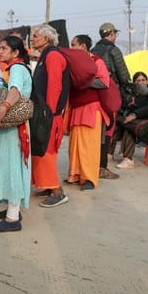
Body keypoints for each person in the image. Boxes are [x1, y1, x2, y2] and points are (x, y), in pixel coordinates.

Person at [0, 35, 32, 232]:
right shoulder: (7, 68)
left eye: (3, 48)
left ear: (16, 52)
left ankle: (12, 219)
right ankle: (12, 208)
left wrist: (3, 107)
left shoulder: (17, 68)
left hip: (12, 128)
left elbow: (16, 91)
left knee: (12, 167)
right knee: (7, 166)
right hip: (9, 127)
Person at [30, 24, 70, 208]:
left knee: (46, 151)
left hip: (49, 114)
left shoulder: (53, 56)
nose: (32, 39)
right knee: (41, 149)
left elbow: (55, 86)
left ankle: (56, 191)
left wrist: (49, 112)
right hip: (45, 112)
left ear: (46, 39)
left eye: (36, 36)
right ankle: (47, 185)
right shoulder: (46, 56)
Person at [65, 35, 110, 191]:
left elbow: (105, 82)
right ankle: (76, 175)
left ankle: (90, 178)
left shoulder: (97, 61)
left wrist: (83, 81)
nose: (71, 47)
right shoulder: (73, 63)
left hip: (91, 107)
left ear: (83, 46)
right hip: (76, 107)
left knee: (89, 145)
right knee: (75, 144)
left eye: (73, 44)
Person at [91, 22, 131, 180]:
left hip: (95, 95)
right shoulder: (114, 50)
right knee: (108, 130)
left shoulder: (93, 50)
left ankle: (93, 164)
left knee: (97, 131)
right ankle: (102, 166)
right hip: (109, 94)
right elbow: (124, 76)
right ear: (112, 34)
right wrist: (130, 93)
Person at [113, 72, 148, 169]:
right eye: (138, 81)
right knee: (117, 125)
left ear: (147, 81)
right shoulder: (133, 93)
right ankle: (109, 154)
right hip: (137, 121)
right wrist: (130, 105)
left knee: (130, 128)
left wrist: (135, 114)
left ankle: (128, 159)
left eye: (143, 80)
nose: (141, 82)